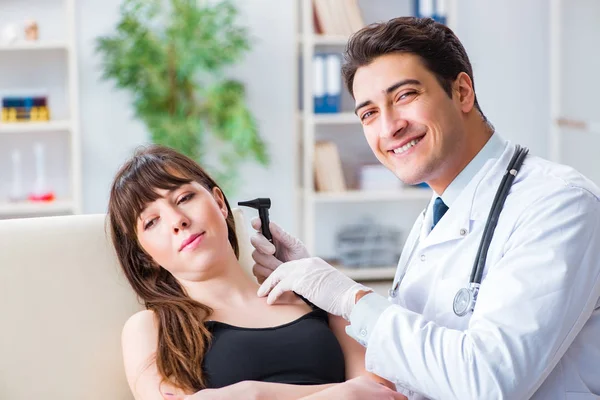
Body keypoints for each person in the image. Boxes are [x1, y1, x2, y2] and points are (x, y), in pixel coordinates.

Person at [250, 16, 600, 399]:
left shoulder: (559, 204)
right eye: (368, 113)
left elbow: (488, 382)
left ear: (462, 92)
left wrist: (349, 297)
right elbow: (415, 367)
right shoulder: (438, 212)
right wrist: (322, 293)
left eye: (404, 96)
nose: (388, 128)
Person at [107, 145, 404, 399]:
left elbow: (381, 393)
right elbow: (358, 393)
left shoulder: (317, 297)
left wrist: (249, 395)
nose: (177, 220)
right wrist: (341, 393)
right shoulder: (152, 329)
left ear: (220, 203)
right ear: (145, 257)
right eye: (151, 222)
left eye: (184, 198)